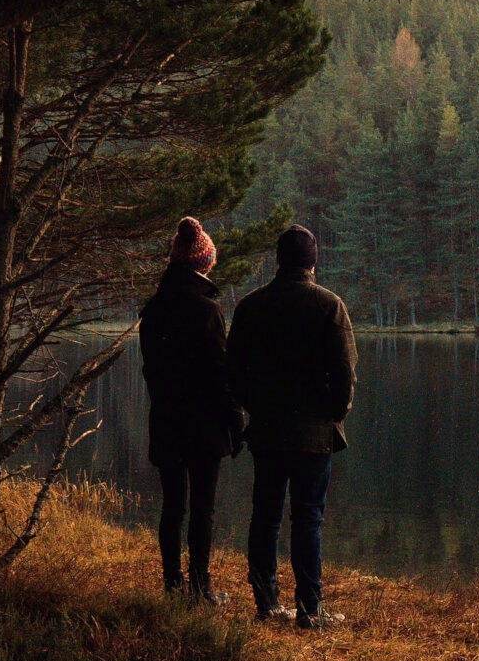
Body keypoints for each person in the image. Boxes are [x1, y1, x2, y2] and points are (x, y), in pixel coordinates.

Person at [226, 225, 357, 628]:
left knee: (265, 516)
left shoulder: (251, 306)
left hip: (267, 430)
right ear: (313, 261)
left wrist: (258, 407)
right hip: (313, 435)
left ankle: (266, 605)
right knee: (308, 519)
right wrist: (334, 414)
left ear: (278, 260)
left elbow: (234, 374)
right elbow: (345, 372)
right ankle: (309, 610)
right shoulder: (329, 305)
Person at [138, 216, 243, 604]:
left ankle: (172, 585)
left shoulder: (153, 311)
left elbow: (152, 371)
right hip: (203, 424)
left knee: (172, 506)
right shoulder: (207, 311)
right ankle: (201, 588)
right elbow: (222, 374)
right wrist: (235, 421)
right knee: (203, 508)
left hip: (166, 419)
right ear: (204, 262)